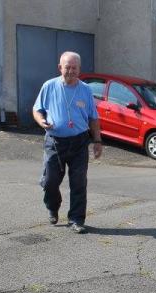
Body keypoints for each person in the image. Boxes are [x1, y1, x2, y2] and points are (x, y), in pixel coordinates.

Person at [33, 51, 102, 234]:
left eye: (74, 68)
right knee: (50, 181)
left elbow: (93, 117)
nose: (71, 71)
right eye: (67, 67)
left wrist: (97, 140)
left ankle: (76, 219)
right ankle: (52, 206)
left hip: (79, 142)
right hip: (54, 142)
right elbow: (37, 110)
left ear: (79, 69)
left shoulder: (85, 90)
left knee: (79, 182)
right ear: (60, 68)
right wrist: (41, 121)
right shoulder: (49, 86)